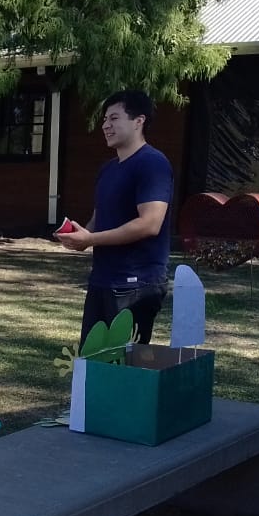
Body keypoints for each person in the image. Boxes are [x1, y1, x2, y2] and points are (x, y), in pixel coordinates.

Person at [56, 89, 173, 347]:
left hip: (136, 284)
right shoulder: (108, 169)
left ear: (138, 121)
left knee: (124, 364)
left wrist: (91, 239)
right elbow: (100, 216)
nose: (105, 125)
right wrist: (81, 235)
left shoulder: (153, 163)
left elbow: (149, 224)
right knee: (92, 359)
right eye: (104, 120)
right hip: (102, 279)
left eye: (114, 118)